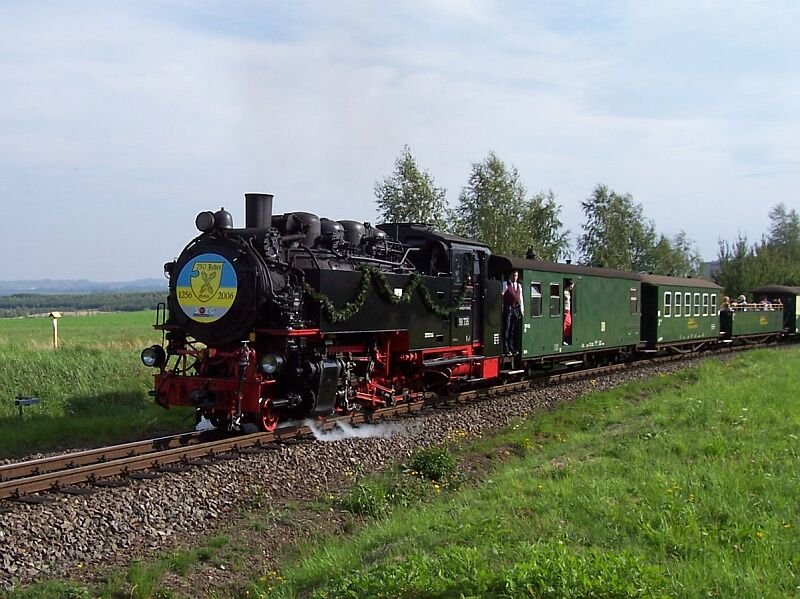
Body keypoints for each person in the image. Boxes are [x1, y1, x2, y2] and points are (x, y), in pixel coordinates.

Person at [502, 271, 524, 354]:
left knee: (513, 329)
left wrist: (522, 310)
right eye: (514, 275)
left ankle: (511, 347)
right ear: (510, 276)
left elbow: (520, 298)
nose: (515, 277)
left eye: (516, 276)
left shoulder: (519, 286)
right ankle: (505, 347)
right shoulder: (505, 284)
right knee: (507, 329)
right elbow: (502, 295)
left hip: (516, 309)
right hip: (508, 308)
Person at [563, 279, 575, 345]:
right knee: (567, 324)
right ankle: (564, 339)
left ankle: (566, 339)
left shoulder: (567, 292)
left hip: (568, 310)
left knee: (568, 324)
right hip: (566, 310)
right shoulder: (565, 292)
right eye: (572, 285)